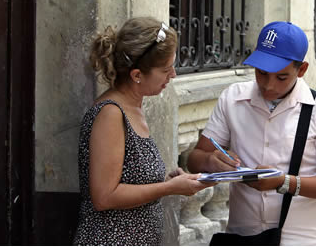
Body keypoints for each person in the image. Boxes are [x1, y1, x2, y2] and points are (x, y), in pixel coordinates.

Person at [187, 21, 316, 245]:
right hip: (242, 236)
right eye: (261, 73)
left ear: (301, 70)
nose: (268, 85)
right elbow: (195, 160)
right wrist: (211, 161)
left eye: (281, 77)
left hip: (300, 241)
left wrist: (284, 182)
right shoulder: (233, 99)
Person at [74, 17, 214, 245]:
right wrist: (168, 188)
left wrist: (170, 181)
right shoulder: (111, 113)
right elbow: (104, 196)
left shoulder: (134, 108)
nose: (174, 75)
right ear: (137, 75)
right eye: (166, 69)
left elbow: (131, 179)